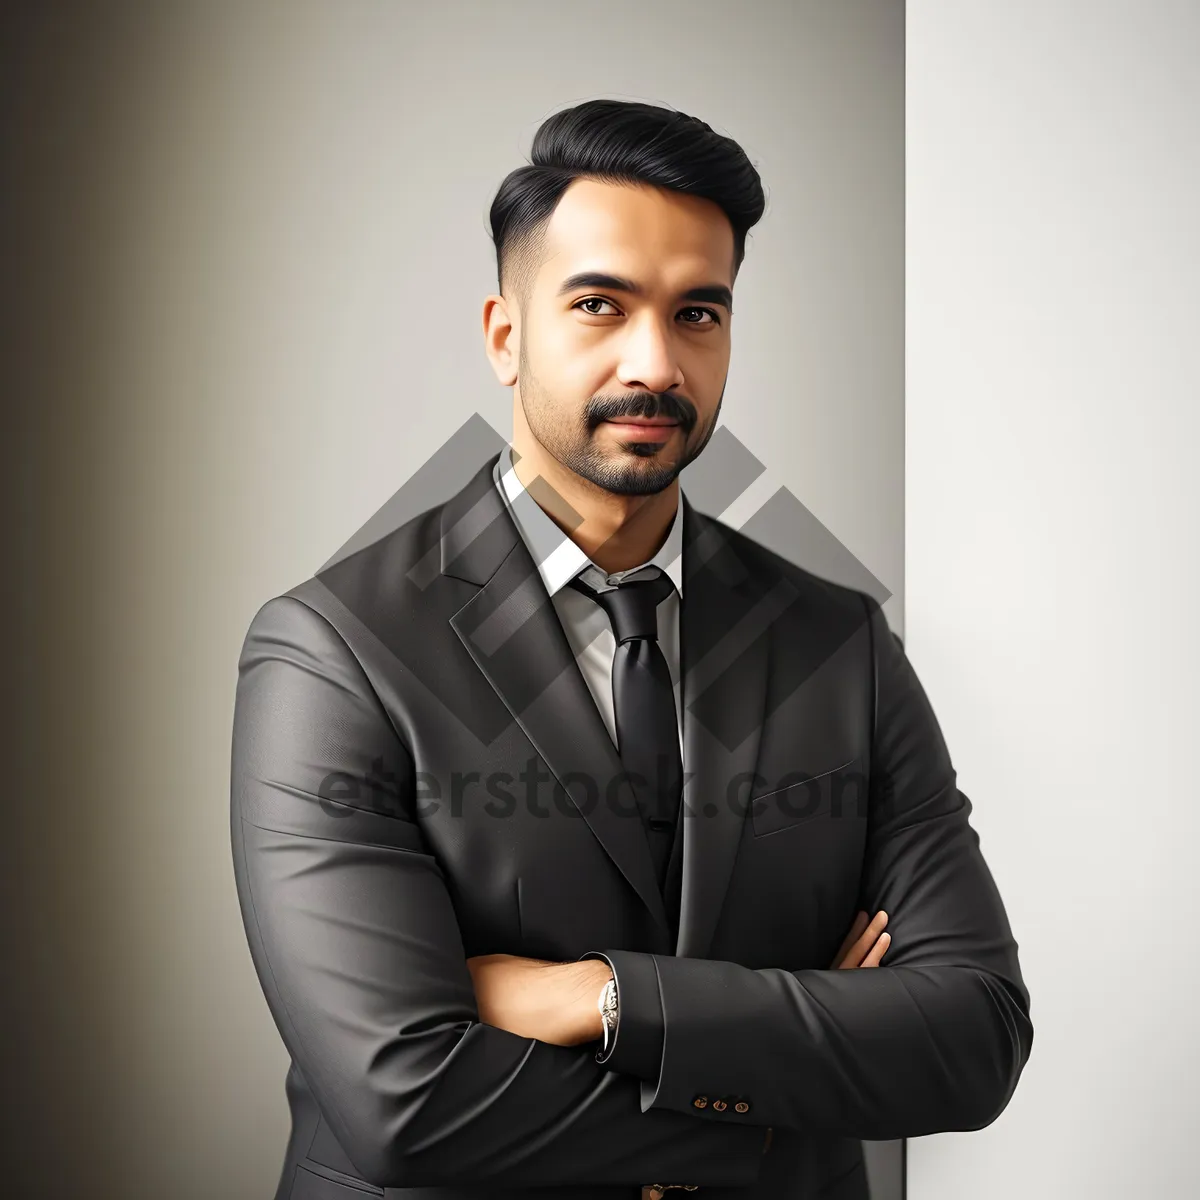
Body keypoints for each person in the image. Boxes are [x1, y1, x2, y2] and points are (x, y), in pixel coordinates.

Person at [230, 98, 1032, 1200]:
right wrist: (789, 1100)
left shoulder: (837, 641)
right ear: (507, 337)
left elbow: (973, 1039)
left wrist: (599, 999)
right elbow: (404, 1104)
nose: (655, 361)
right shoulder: (334, 649)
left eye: (699, 312)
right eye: (600, 305)